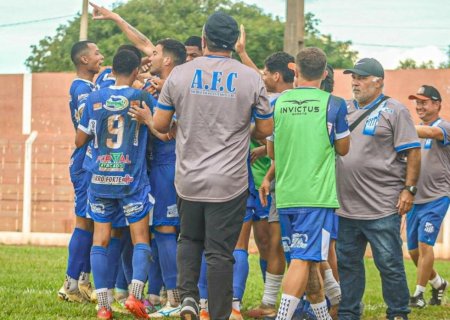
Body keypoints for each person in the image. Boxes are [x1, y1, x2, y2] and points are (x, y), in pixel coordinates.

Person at [153, 11, 273, 320]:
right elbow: (266, 128)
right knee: (220, 252)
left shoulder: (179, 74)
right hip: (229, 182)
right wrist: (245, 130)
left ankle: (189, 299)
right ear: (235, 43)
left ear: (204, 40)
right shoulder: (251, 78)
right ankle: (219, 313)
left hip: (188, 178)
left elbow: (161, 123)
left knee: (189, 239)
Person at [264, 47, 349, 320]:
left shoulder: (276, 103)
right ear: (325, 73)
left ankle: (323, 316)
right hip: (316, 196)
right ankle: (284, 316)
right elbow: (344, 148)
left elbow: (271, 153)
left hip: (286, 194)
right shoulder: (334, 104)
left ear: (294, 70)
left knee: (309, 260)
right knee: (303, 260)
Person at [336, 58, 421, 320]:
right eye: (353, 77)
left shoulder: (395, 110)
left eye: (361, 77)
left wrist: (409, 190)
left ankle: (398, 312)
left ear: (378, 81)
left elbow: (413, 151)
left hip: (382, 207)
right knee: (348, 265)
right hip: (345, 207)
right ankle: (349, 313)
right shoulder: (344, 108)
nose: (355, 82)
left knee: (390, 264)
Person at [76, 49, 156, 319]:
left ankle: (103, 307)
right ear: (136, 72)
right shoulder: (141, 97)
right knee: (141, 238)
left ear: (111, 71)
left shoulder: (95, 98)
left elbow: (79, 139)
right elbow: (161, 128)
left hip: (100, 179)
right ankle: (135, 295)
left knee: (101, 240)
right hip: (131, 179)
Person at [129, 37, 187, 318]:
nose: (150, 56)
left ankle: (174, 298)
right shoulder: (172, 85)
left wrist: (147, 119)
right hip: (167, 166)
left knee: (165, 230)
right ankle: (173, 296)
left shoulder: (173, 89)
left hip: (169, 165)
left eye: (155, 53)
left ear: (167, 60)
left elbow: (168, 133)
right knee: (167, 233)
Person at [58, 40, 103, 304]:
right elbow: (85, 131)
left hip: (91, 162)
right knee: (84, 222)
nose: (101, 56)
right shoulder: (82, 89)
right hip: (84, 162)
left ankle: (83, 281)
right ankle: (70, 284)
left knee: (92, 221)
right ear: (84, 60)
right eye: (97, 53)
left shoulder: (90, 87)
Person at [406, 85, 449, 308]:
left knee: (424, 245)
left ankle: (418, 295)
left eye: (424, 102)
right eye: (417, 102)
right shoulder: (415, 130)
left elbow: (431, 133)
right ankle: (438, 283)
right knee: (413, 250)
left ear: (437, 104)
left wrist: (401, 128)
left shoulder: (443, 127)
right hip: (415, 199)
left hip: (437, 197)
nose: (419, 106)